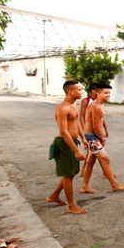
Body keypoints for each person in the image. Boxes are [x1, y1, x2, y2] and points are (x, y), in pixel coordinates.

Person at [46, 80, 88, 215]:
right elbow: (64, 132)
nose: (82, 92)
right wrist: (76, 150)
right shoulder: (62, 108)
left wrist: (83, 138)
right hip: (64, 144)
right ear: (71, 91)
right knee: (68, 175)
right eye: (79, 90)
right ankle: (71, 206)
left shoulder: (73, 105)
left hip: (72, 142)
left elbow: (75, 123)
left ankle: (54, 196)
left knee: (71, 173)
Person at [80, 84, 124, 194]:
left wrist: (106, 129)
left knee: (91, 161)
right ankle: (114, 184)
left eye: (109, 93)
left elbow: (101, 119)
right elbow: (95, 126)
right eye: (105, 93)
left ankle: (84, 186)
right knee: (105, 158)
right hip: (92, 137)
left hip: (94, 136)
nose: (108, 95)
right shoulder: (96, 106)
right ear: (98, 93)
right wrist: (101, 139)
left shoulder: (101, 105)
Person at [79, 82, 109, 176]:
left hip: (96, 132)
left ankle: (105, 173)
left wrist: (105, 128)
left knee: (95, 155)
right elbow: (82, 116)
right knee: (99, 155)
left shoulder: (100, 103)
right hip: (91, 132)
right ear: (94, 91)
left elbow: (101, 118)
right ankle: (83, 171)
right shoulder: (87, 101)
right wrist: (84, 130)